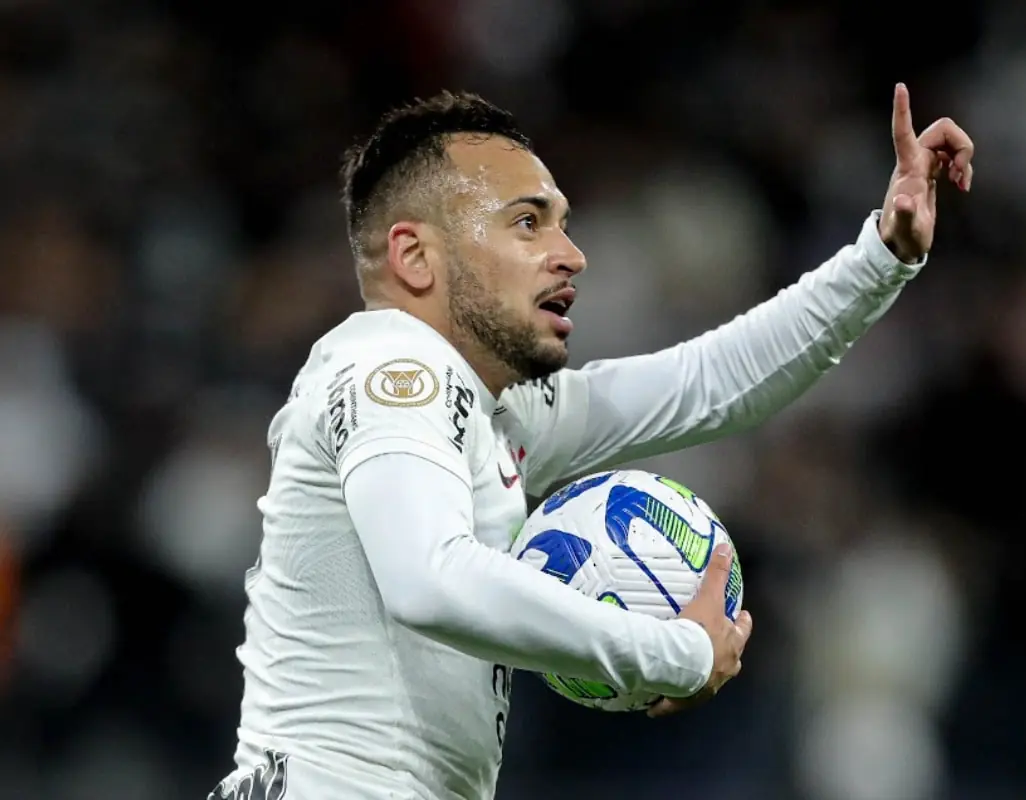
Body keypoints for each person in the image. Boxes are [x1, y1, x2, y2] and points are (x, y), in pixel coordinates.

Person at [209, 84, 974, 800]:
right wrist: (673, 651)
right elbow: (431, 579)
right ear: (416, 258)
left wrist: (882, 257)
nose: (570, 254)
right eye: (527, 222)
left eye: (563, 222)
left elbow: (707, 383)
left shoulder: (492, 410)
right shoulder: (393, 368)